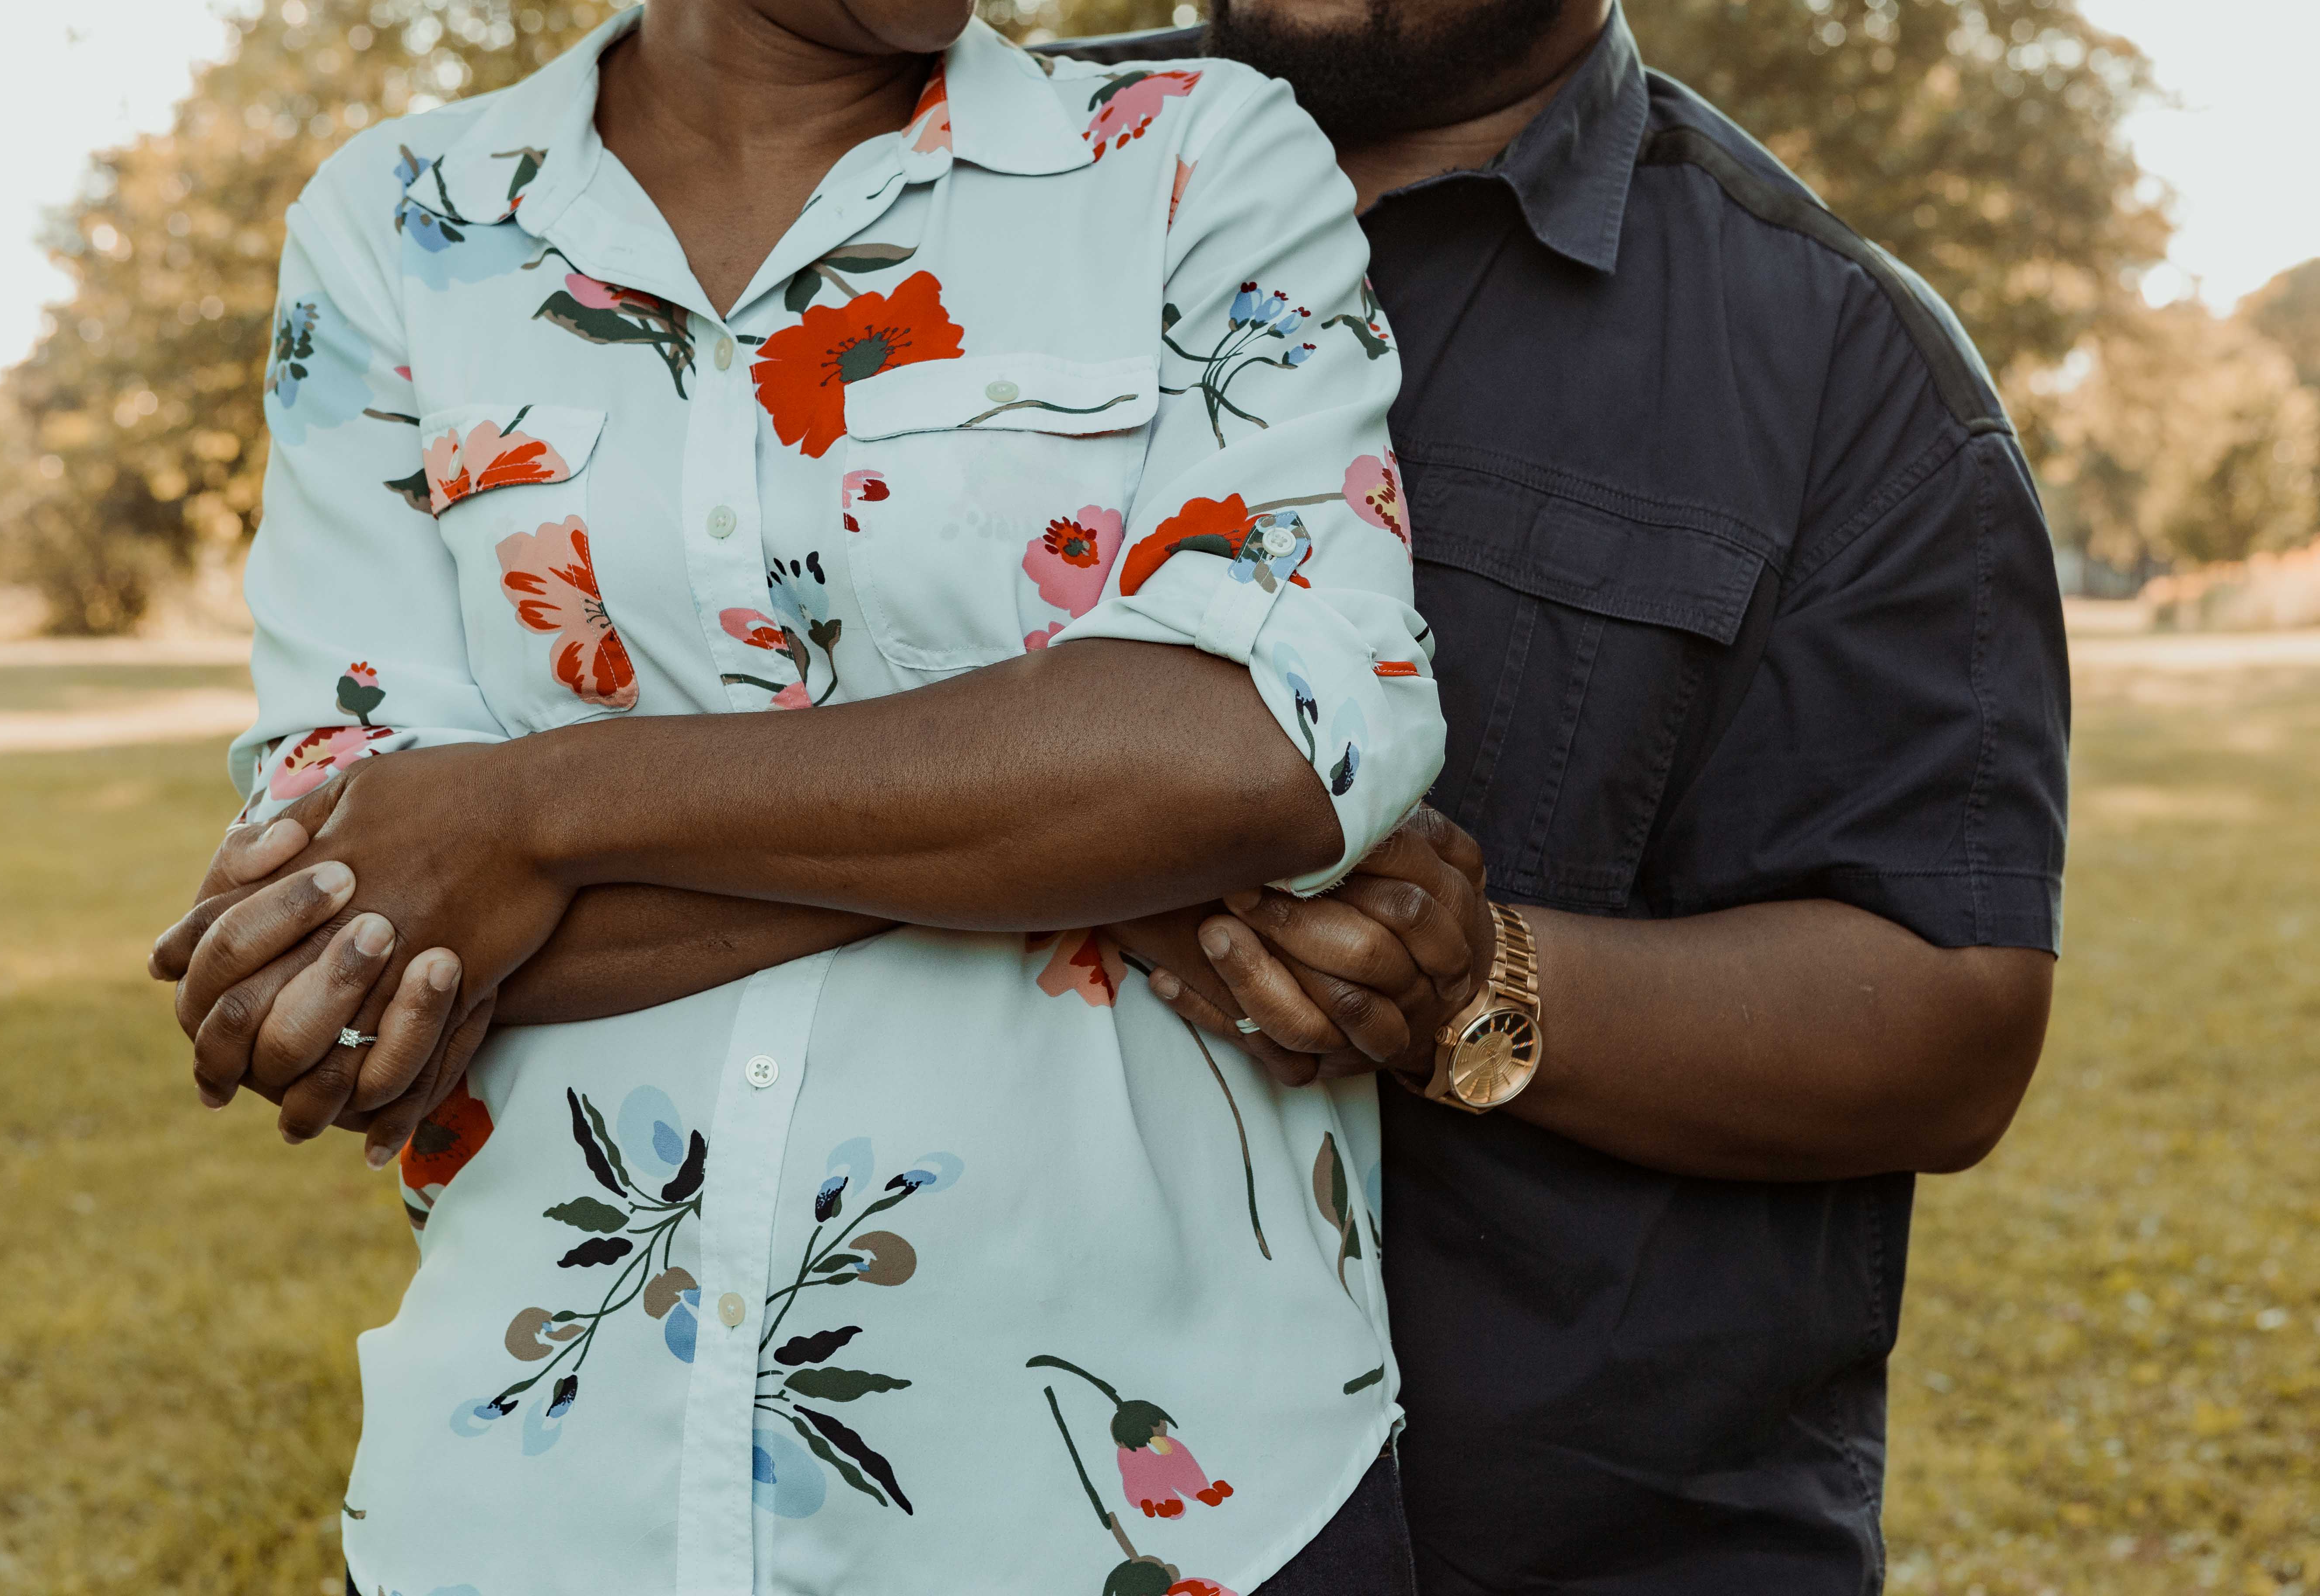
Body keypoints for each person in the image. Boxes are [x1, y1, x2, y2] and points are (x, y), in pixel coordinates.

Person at [147, 3, 1464, 1591]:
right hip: (539, 1505)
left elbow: (1265, 746)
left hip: (1173, 1507)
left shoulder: (1192, 159)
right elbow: (364, 909)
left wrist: (536, 814)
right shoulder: (403, 222)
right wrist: (1086, 842)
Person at [1051, 1, 2070, 1592]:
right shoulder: (944, 169)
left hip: (1548, 1536)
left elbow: (1953, 1025)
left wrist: (1470, 987)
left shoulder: (1842, 366)